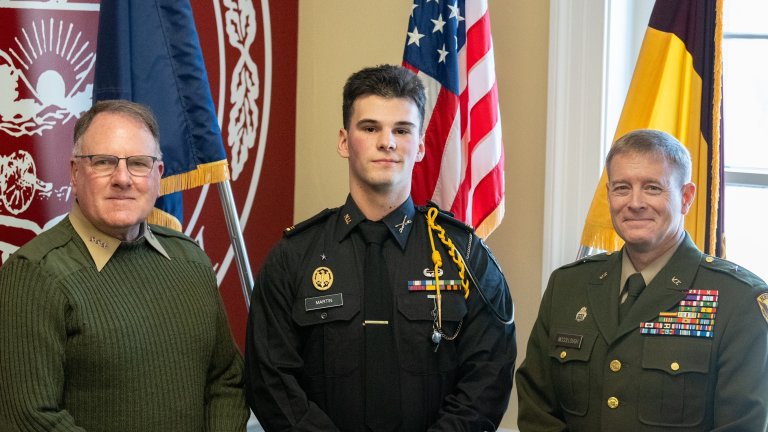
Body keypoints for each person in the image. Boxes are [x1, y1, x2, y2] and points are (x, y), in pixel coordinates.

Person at [244, 64, 516, 431]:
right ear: (344, 141)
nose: (386, 142)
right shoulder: (294, 256)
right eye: (370, 127)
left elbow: (488, 375)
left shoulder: (464, 254)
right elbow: (271, 382)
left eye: (401, 130)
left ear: (420, 146)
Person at [0, 100, 249, 431]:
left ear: (158, 175)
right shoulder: (34, 273)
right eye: (103, 162)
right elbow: (31, 417)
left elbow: (227, 381)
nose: (123, 178)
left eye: (139, 163)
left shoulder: (191, 261)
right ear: (75, 173)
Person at [516, 129, 768, 431]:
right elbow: (537, 409)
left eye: (652, 188)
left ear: (686, 197)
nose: (635, 203)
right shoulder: (568, 286)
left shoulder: (738, 300)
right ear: (608, 194)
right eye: (622, 188)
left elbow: (741, 425)